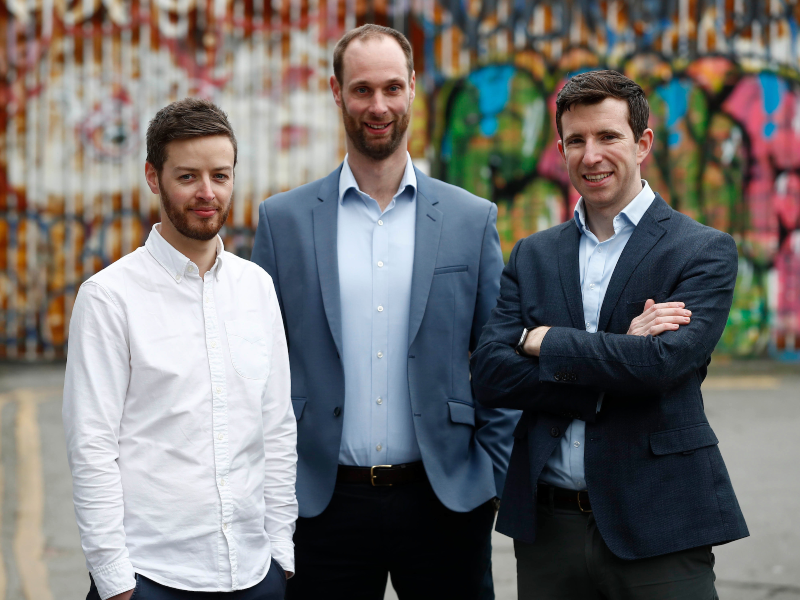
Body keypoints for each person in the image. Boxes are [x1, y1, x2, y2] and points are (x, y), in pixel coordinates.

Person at [250, 24, 517, 600]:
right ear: (336, 91)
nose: (379, 106)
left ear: (414, 89)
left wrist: (489, 475)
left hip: (445, 500)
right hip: (319, 505)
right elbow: (256, 366)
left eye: (393, 88)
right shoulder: (284, 221)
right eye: (362, 89)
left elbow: (500, 357)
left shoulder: (471, 220)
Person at [470, 70, 749, 599]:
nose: (591, 155)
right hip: (549, 530)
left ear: (642, 143)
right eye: (576, 140)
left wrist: (543, 341)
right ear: (560, 149)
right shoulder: (533, 254)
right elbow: (489, 374)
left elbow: (663, 366)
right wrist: (621, 353)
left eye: (608, 137)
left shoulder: (702, 250)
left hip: (660, 521)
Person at [63, 98, 296, 600]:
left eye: (220, 175)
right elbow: (92, 447)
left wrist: (281, 550)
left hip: (256, 574)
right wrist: (116, 581)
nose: (207, 193)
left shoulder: (257, 287)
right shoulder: (109, 298)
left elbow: (276, 426)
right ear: (153, 177)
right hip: (151, 579)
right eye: (187, 177)